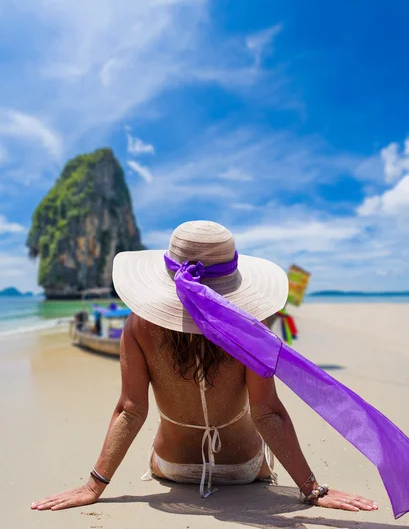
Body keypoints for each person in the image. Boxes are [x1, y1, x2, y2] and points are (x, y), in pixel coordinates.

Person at [31, 221, 408, 516]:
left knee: (158, 445)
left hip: (171, 467)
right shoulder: (251, 329)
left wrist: (93, 486)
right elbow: (267, 412)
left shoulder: (138, 325)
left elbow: (131, 410)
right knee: (258, 446)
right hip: (242, 469)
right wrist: (312, 490)